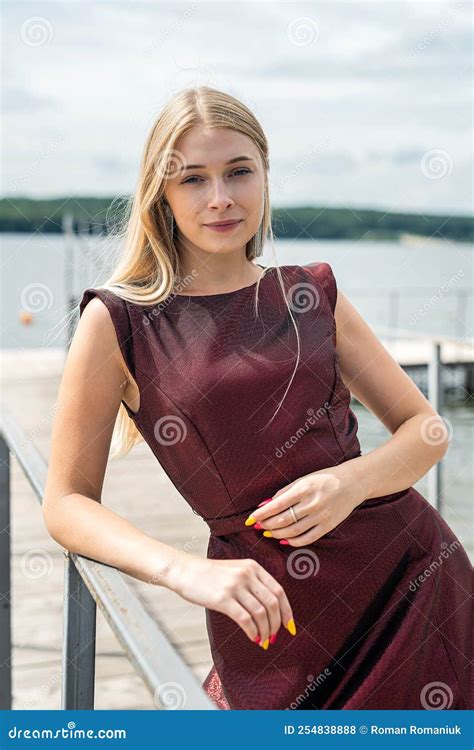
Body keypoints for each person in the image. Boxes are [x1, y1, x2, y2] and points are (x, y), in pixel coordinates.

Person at [43, 86, 472, 710]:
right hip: (272, 614)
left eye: (239, 172)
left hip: (416, 580)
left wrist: (352, 482)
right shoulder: (119, 321)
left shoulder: (311, 293)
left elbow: (425, 429)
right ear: (159, 194)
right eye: (193, 179)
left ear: (265, 175)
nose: (220, 198)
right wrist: (184, 571)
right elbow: (66, 504)